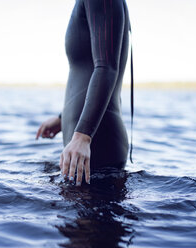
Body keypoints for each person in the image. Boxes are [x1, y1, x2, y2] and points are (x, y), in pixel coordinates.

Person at [36, 0, 131, 186]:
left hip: (96, 144)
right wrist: (62, 118)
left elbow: (106, 68)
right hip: (88, 144)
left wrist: (83, 135)